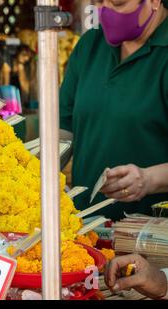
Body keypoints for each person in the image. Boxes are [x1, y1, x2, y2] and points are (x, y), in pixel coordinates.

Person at [60, 0, 168, 221]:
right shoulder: (90, 46)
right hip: (85, 224)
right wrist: (37, 170)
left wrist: (148, 179)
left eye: (118, 3)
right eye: (100, 2)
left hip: (152, 233)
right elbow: (64, 128)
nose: (106, 11)